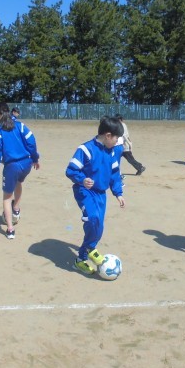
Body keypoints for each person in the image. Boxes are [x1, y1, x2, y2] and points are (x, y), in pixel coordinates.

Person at [66, 116, 126, 275]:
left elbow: (114, 174)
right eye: (117, 138)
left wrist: (118, 193)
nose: (118, 142)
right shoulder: (86, 149)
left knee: (99, 226)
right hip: (84, 191)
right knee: (92, 218)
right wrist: (82, 179)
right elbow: (71, 170)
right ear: (108, 135)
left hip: (101, 194)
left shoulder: (111, 153)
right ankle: (90, 250)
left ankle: (81, 258)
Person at [0, 102, 40, 239]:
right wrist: (35, 158)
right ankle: (16, 209)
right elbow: (31, 142)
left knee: (7, 197)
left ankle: (10, 229)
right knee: (18, 182)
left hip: (12, 166)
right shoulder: (20, 125)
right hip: (26, 163)